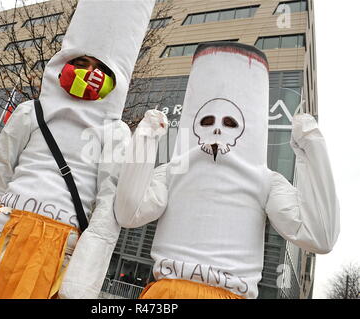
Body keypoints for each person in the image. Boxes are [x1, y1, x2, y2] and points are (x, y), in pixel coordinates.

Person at [0, 0, 156, 299]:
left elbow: (108, 202)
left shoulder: (114, 132)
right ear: (64, 62)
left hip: (57, 248)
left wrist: (84, 272)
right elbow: (0, 165)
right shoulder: (32, 111)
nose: (88, 74)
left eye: (99, 69)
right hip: (2, 231)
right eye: (81, 64)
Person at [114, 42, 340, 299]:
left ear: (245, 128)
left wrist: (312, 146)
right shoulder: (174, 170)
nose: (218, 130)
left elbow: (320, 237)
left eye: (230, 122)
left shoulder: (264, 180)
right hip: (167, 293)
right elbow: (128, 213)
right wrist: (145, 138)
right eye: (207, 121)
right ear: (195, 124)